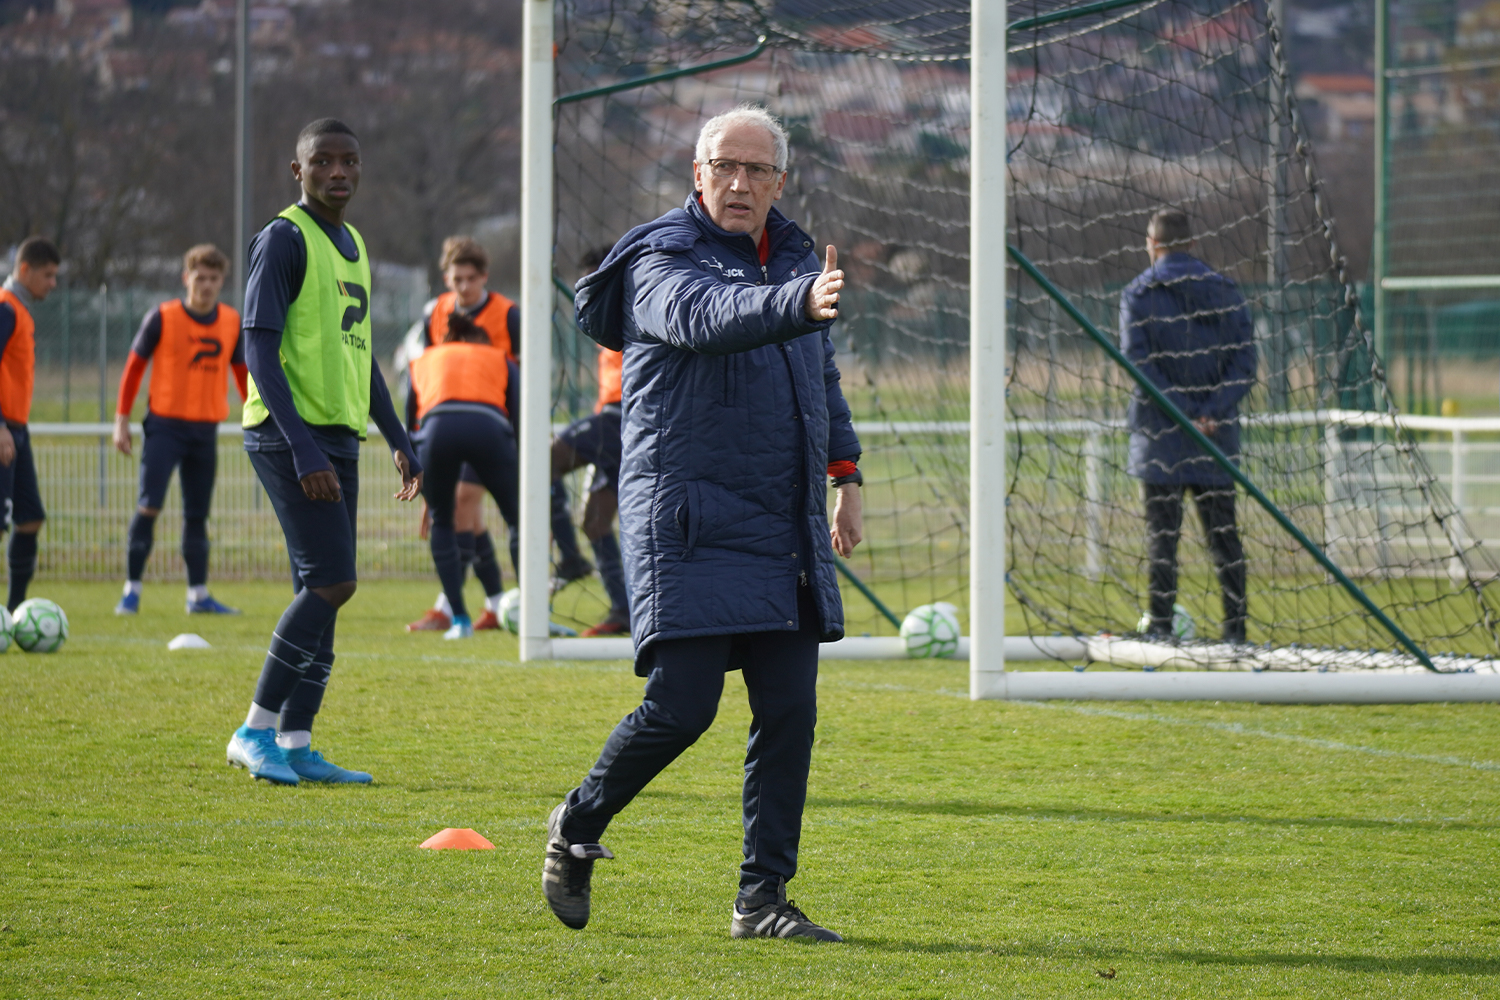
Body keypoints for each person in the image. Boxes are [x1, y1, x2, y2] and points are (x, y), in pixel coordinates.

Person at [544, 104, 864, 942]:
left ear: (780, 183)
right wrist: (799, 301)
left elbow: (818, 381)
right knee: (683, 709)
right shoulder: (660, 257)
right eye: (724, 165)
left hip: (781, 521)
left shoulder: (794, 259)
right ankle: (576, 824)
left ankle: (762, 900)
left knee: (790, 710)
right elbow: (704, 320)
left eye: (757, 170)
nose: (739, 182)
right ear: (697, 174)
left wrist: (846, 475)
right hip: (689, 521)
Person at [225, 118, 422, 787]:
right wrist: (302, 447)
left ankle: (297, 741)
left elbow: (358, 357)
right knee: (334, 582)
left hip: (338, 436)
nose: (338, 172)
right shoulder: (283, 239)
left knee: (324, 590)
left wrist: (399, 439)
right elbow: (256, 347)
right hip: (289, 436)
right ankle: (253, 731)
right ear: (297, 171)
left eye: (349, 161)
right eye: (323, 162)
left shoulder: (354, 243)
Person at [403, 237, 592, 632]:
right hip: (455, 417)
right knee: (462, 509)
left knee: (464, 504)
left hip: (496, 420)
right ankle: (486, 604)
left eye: (471, 279)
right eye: (457, 279)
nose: (464, 287)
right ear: (446, 278)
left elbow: (525, 376)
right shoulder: (435, 313)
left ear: (484, 277)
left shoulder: (509, 315)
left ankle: (470, 605)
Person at [1121, 207, 1255, 643]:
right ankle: (1236, 629)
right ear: (1192, 244)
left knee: (1163, 538)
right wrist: (1210, 412)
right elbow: (1245, 362)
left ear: (1152, 243)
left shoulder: (1138, 295)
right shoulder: (1226, 290)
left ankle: (1160, 627)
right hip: (1213, 438)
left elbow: (1139, 363)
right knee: (1224, 537)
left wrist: (1179, 410)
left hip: (1160, 438)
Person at [112, 243, 249, 616]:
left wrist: (261, 419)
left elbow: (243, 375)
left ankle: (198, 596)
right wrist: (121, 420)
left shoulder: (231, 321)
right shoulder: (163, 317)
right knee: (149, 505)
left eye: (213, 278)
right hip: (165, 428)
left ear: (222, 281)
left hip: (206, 431)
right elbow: (133, 367)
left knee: (196, 516)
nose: (205, 285)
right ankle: (131, 591)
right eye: (199, 277)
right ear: (186, 278)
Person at [407, 312, 518, 639]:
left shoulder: (424, 359)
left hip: (436, 430)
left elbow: (411, 425)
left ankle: (459, 620)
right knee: (517, 520)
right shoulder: (498, 356)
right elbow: (519, 418)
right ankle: (531, 611)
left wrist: (422, 481)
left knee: (442, 520)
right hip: (488, 428)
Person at [552, 246, 629, 636]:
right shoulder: (600, 320)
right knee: (595, 522)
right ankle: (622, 610)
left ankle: (568, 559)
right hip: (620, 427)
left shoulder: (631, 305)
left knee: (544, 460)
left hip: (622, 418)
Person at [0, 237, 60, 611]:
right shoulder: (5, 308)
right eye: (48, 275)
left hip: (17, 431)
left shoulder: (19, 310)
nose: (53, 283)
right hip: (4, 430)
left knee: (30, 517)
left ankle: (12, 613)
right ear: (25, 271)